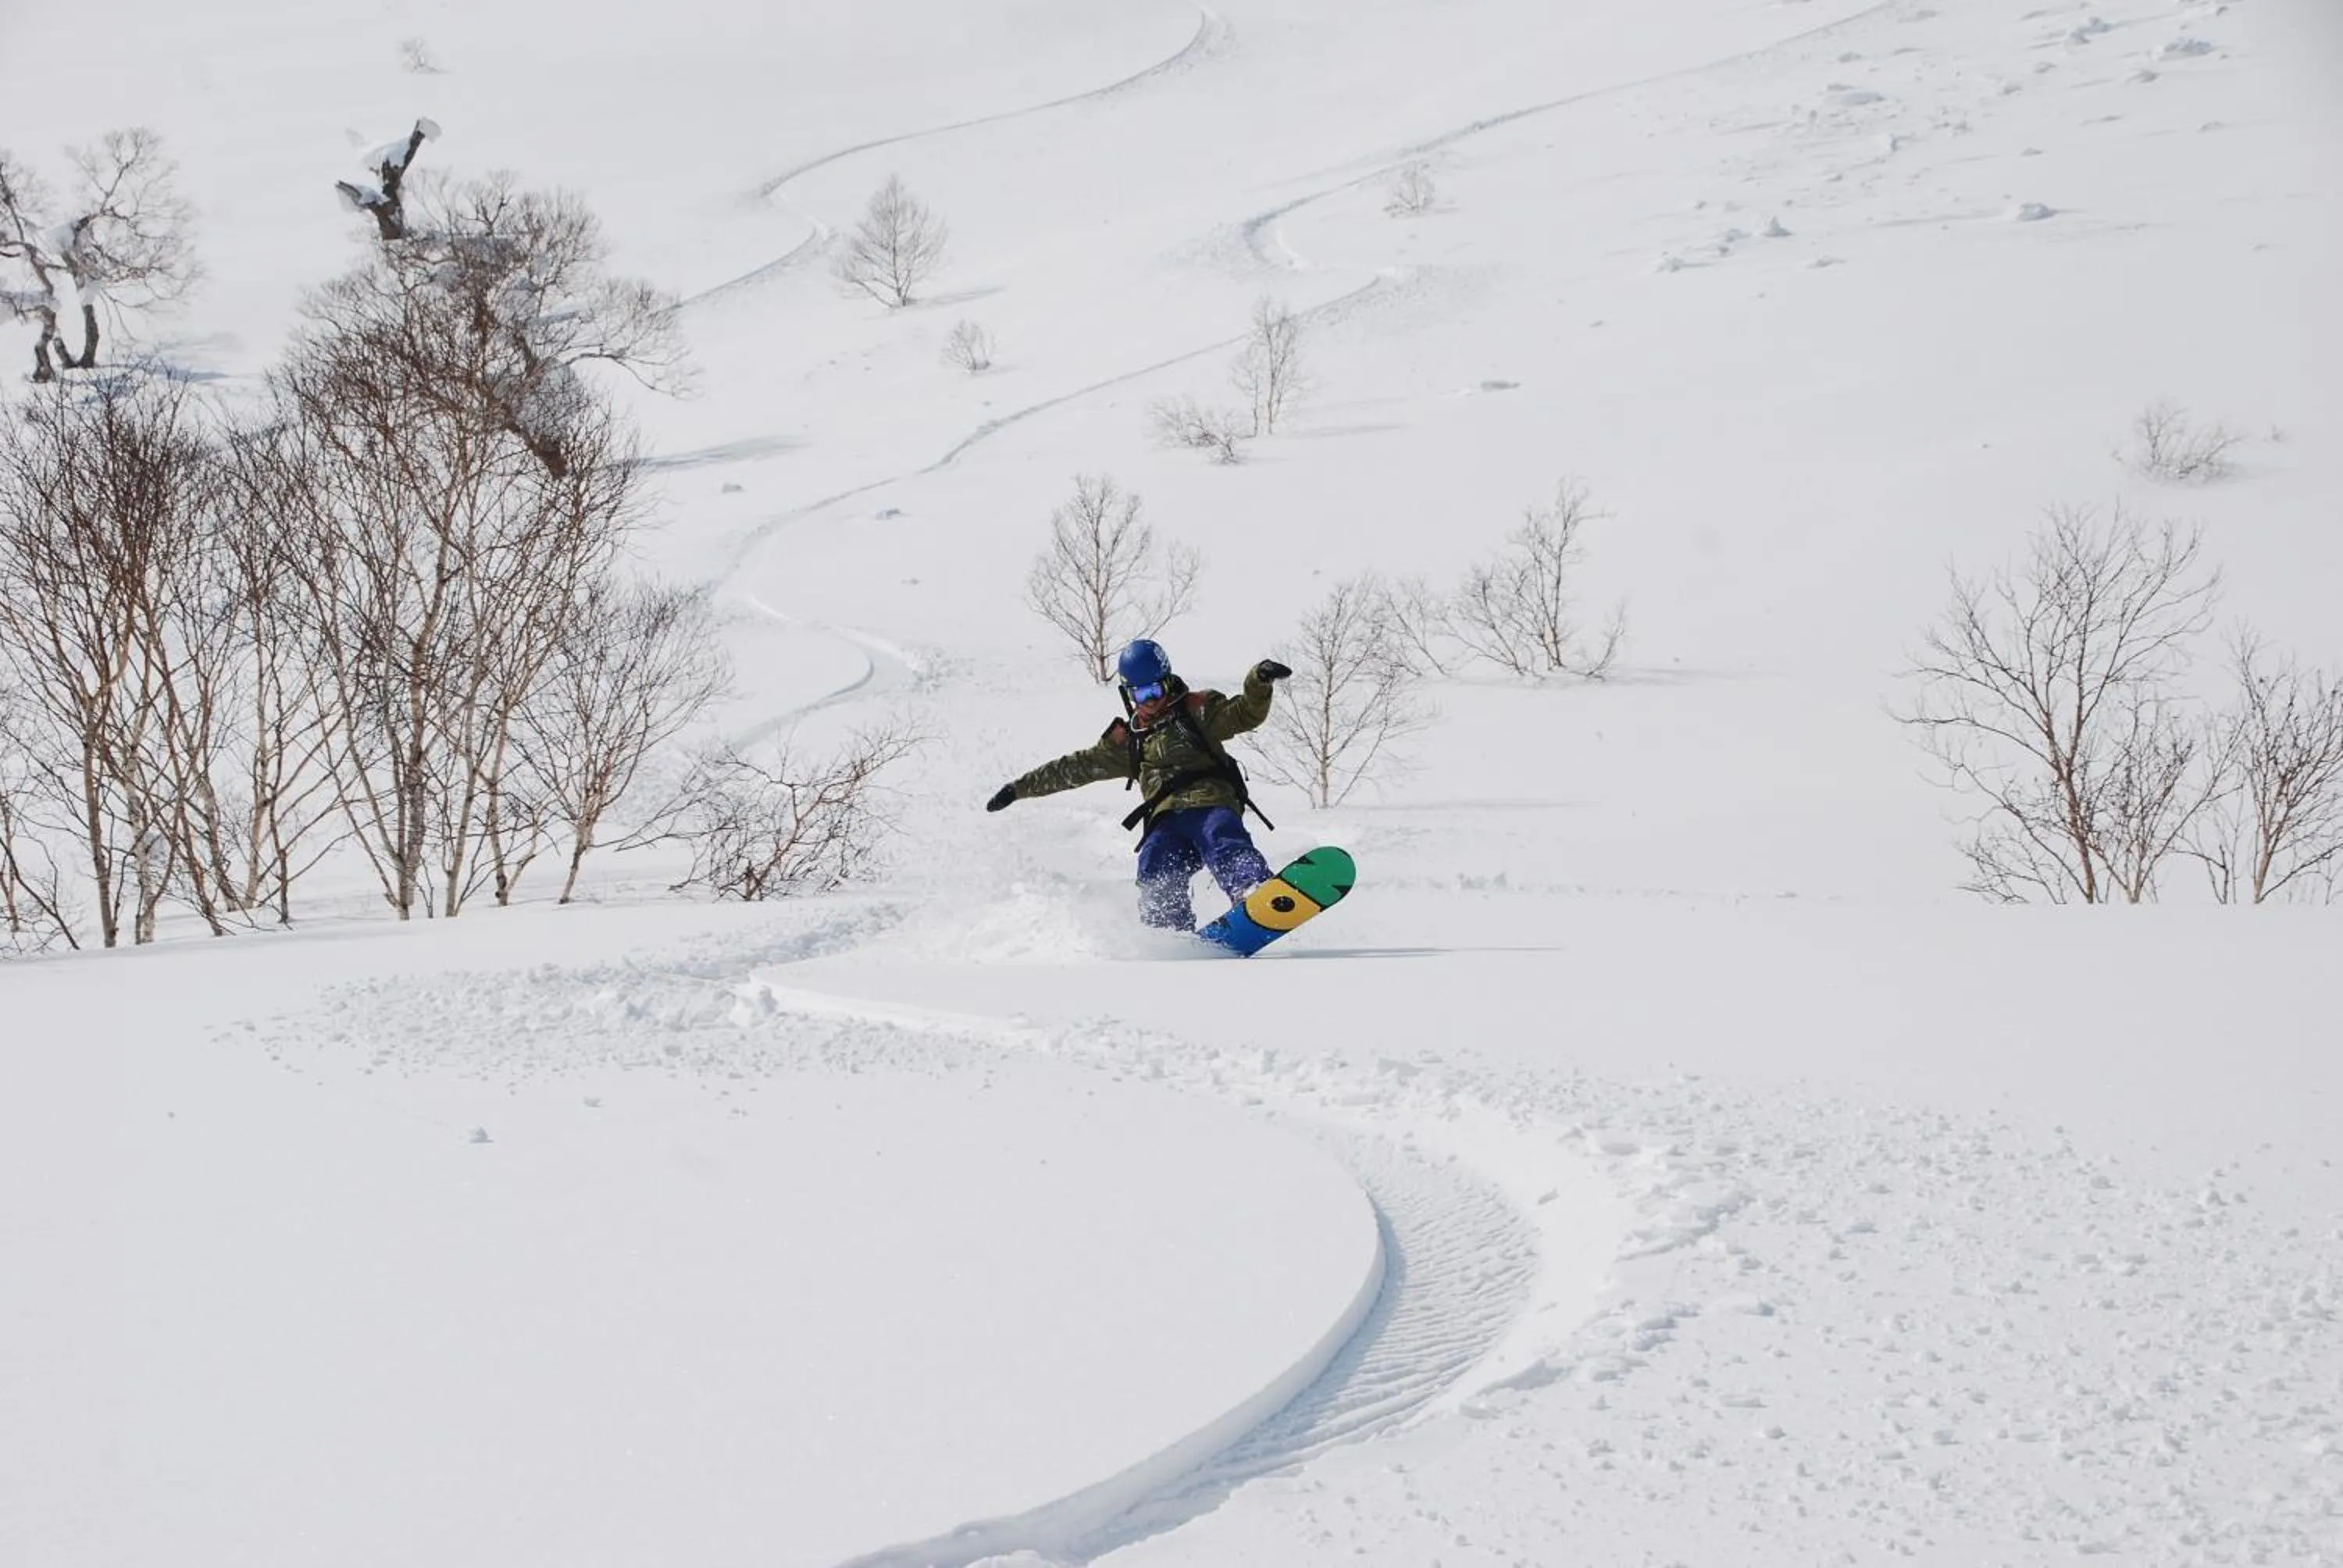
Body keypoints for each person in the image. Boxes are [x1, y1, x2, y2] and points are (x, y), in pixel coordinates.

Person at [986, 639, 1293, 931]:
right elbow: (1076, 768)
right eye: (1142, 694)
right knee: (1154, 861)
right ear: (1129, 694)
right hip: (1167, 820)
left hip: (1209, 802)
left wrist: (1259, 681)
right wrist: (1019, 788)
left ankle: (1251, 887)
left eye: (1156, 690)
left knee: (1219, 834)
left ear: (1168, 682)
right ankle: (1166, 929)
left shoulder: (1198, 711)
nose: (1151, 702)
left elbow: (1244, 715)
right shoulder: (1129, 742)